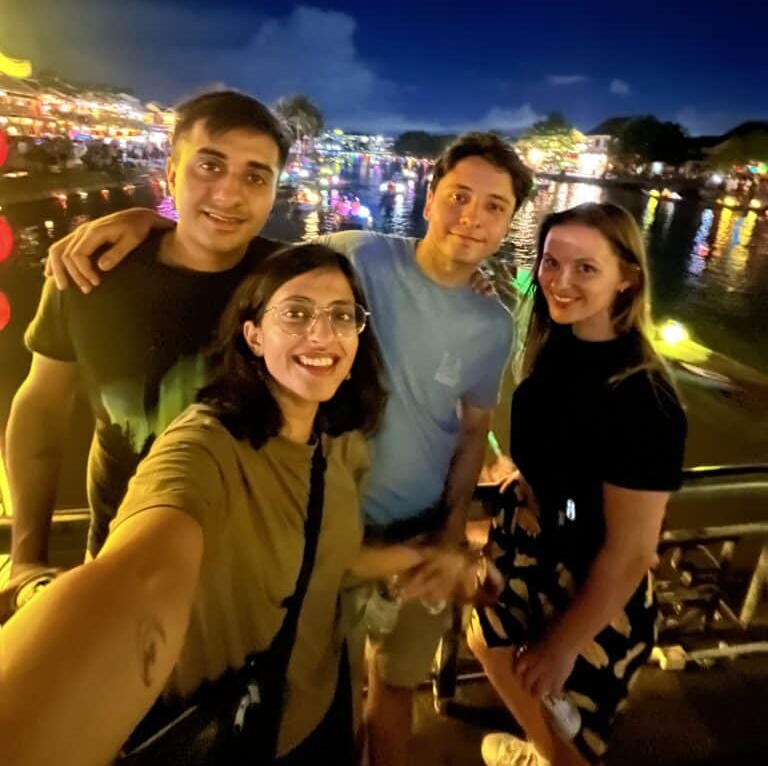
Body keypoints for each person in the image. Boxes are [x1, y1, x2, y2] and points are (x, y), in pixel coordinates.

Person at [40, 131, 534, 766]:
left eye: (495, 206)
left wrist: (446, 534)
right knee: (323, 683)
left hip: (418, 533)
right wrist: (152, 219)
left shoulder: (492, 323)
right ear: (431, 197)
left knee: (395, 694)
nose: (473, 216)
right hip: (326, 524)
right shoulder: (360, 256)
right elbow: (248, 261)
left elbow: (472, 431)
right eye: (460, 195)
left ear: (509, 221)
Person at [2, 243, 424, 764]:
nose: (322, 333)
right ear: (253, 336)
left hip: (322, 717)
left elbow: (317, 556)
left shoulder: (338, 444)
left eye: (341, 316)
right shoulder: (206, 447)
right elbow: (144, 577)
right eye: (295, 313)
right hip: (235, 735)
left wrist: (424, 561)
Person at [0, 89, 290, 608]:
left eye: (255, 176)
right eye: (210, 166)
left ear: (273, 193)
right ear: (171, 174)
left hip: (252, 567)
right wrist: (27, 557)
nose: (229, 194)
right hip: (119, 557)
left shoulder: (293, 285)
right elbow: (41, 407)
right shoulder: (89, 273)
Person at [467, 202, 687, 766]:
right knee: (485, 638)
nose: (559, 282)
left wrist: (563, 645)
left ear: (628, 277)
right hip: (536, 542)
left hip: (595, 576)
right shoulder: (556, 351)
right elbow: (557, 454)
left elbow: (633, 548)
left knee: (565, 717)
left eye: (585, 268)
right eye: (550, 263)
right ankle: (541, 751)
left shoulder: (645, 399)